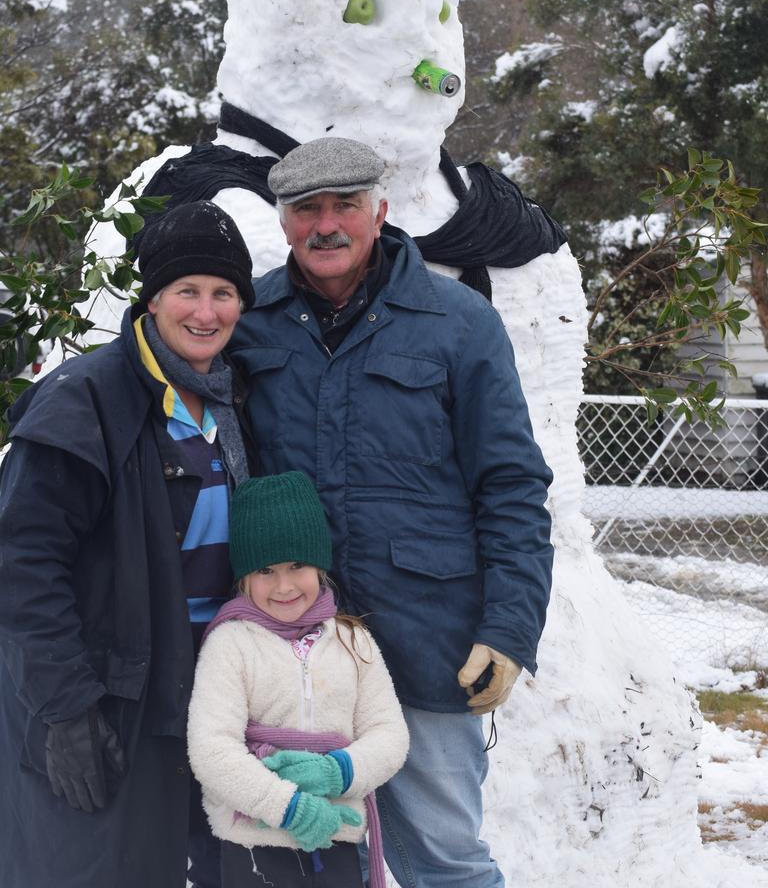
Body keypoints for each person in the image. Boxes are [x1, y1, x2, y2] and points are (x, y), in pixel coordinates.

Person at [227, 136, 555, 888]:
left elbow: (510, 485)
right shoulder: (255, 324)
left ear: (380, 210)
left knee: (445, 860)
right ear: (284, 224)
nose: (327, 224)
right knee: (310, 860)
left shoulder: (458, 322)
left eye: (346, 205)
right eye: (307, 209)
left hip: (429, 640)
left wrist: (508, 629)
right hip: (297, 648)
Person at [0, 199, 257, 888]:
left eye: (224, 293)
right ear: (153, 298)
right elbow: (21, 564)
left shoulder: (235, 399)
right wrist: (67, 708)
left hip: (216, 690)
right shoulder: (83, 400)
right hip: (114, 697)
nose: (206, 313)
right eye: (188, 291)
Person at [187, 470, 409, 888]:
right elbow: (211, 749)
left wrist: (337, 773)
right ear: (243, 578)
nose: (284, 585)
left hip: (335, 835)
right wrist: (288, 807)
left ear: (319, 565)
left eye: (298, 565)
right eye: (266, 571)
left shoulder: (352, 640)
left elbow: (389, 735)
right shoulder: (230, 644)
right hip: (252, 843)